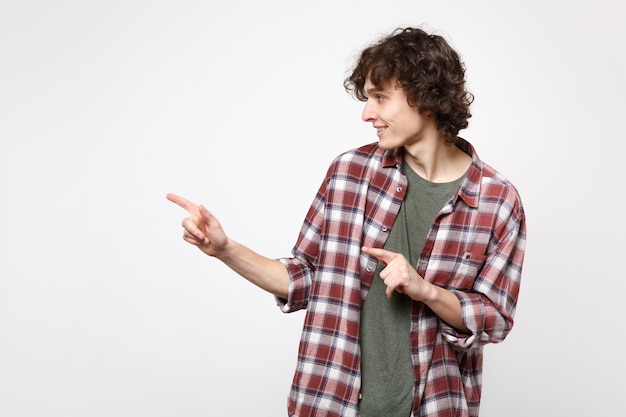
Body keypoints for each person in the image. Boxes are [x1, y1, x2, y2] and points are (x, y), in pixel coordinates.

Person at [167, 26, 526, 417]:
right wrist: (224, 249)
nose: (366, 113)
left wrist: (425, 291)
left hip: (432, 405)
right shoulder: (349, 174)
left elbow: (493, 319)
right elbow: (306, 279)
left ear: (426, 98)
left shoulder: (495, 199)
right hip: (330, 403)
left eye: (380, 98)